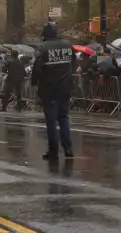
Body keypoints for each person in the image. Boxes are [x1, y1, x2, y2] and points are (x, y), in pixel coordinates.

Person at [31, 23, 75, 160]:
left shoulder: (44, 47)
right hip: (65, 88)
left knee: (51, 121)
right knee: (63, 118)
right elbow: (73, 63)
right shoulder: (68, 45)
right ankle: (68, 148)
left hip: (49, 89)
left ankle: (53, 150)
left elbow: (37, 68)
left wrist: (34, 83)